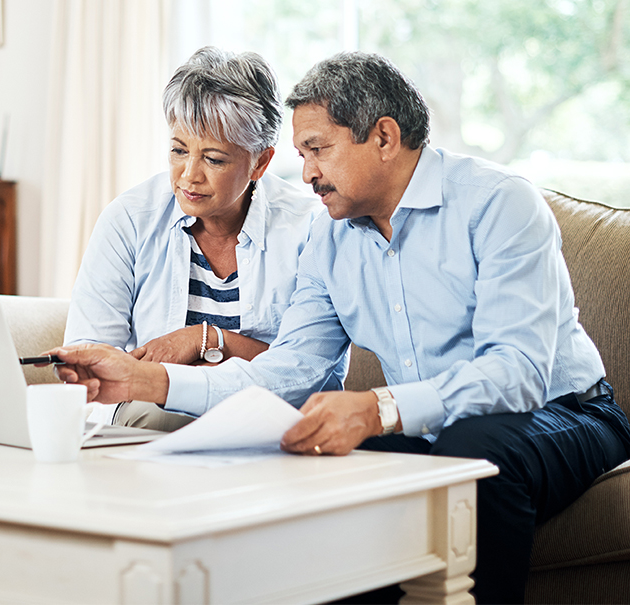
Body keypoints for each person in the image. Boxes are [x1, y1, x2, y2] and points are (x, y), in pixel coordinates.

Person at [51, 51, 630, 603]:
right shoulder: (328, 236)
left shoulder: (499, 204)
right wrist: (146, 383)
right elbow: (290, 370)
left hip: (565, 410)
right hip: (436, 427)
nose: (304, 174)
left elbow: (517, 374)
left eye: (317, 150)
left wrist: (376, 408)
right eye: (302, 155)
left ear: (383, 137)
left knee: (468, 454)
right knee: (324, 471)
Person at [63, 45, 337, 431]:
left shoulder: (309, 228)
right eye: (178, 150)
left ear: (259, 162)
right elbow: (90, 354)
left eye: (213, 159)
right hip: (151, 419)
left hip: (267, 420)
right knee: (154, 415)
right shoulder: (129, 218)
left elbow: (309, 372)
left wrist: (205, 339)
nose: (189, 175)